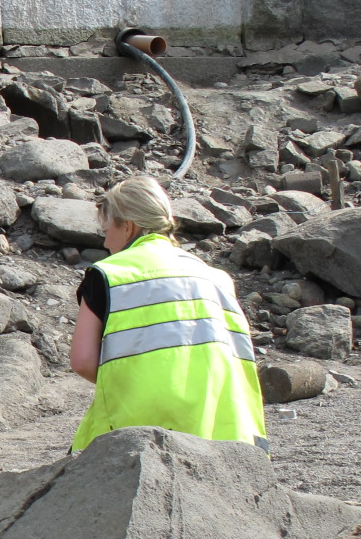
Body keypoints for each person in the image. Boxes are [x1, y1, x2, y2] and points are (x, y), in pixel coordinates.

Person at [68, 176, 266, 452]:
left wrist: (128, 379)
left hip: (137, 433)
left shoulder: (111, 274)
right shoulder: (217, 278)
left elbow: (83, 361)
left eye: (106, 230)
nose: (106, 243)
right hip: (226, 432)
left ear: (128, 227)